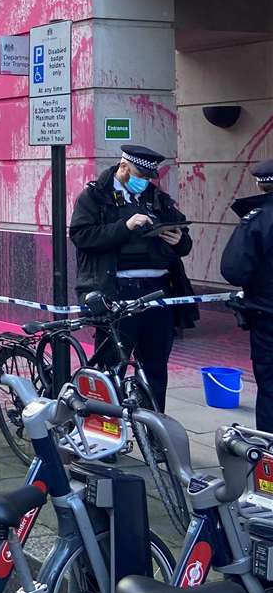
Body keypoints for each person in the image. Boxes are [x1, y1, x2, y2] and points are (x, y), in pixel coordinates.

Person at [69, 142, 193, 411]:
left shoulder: (156, 198)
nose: (145, 183)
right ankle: (105, 427)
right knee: (112, 365)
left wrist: (178, 240)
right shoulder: (95, 197)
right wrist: (125, 226)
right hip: (118, 292)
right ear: (123, 168)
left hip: (158, 293)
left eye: (149, 178)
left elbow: (184, 241)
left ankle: (154, 432)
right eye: (140, 177)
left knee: (155, 366)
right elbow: (82, 236)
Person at [221, 160, 273, 432]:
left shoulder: (257, 218)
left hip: (267, 315)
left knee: (270, 388)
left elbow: (233, 269)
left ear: (260, 183)